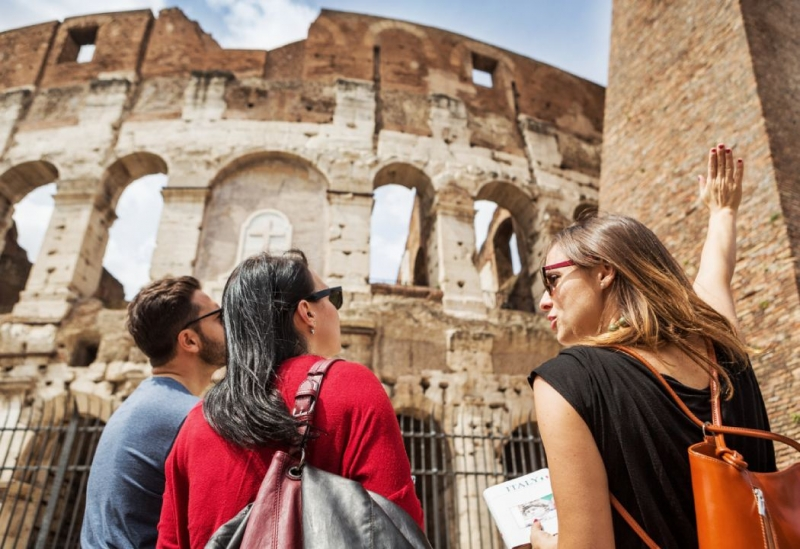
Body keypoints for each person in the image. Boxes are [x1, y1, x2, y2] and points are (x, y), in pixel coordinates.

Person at [526, 144, 777, 549]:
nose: (543, 299)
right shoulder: (721, 344)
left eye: (551, 279)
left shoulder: (566, 382)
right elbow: (717, 271)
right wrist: (723, 211)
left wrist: (544, 545)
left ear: (604, 271)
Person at [157, 251, 424, 548]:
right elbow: (398, 528)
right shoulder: (351, 385)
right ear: (307, 312)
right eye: (333, 298)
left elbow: (170, 542)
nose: (337, 310)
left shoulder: (197, 421)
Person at [81, 277, 226, 549]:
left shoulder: (136, 406)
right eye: (219, 316)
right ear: (190, 340)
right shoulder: (189, 417)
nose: (229, 324)